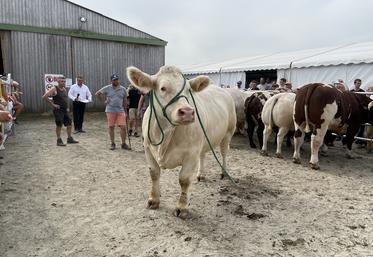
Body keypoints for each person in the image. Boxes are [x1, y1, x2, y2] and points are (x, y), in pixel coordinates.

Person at [95, 74, 130, 150]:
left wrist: (126, 112)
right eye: (114, 80)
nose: (116, 81)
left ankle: (123, 143)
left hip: (120, 110)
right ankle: (112, 143)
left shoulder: (123, 89)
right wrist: (104, 101)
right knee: (111, 127)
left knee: (123, 127)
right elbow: (97, 94)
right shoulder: (107, 88)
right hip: (110, 110)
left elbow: (125, 100)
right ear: (111, 81)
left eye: (117, 79)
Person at [42, 76, 79, 146]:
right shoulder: (54, 89)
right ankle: (59, 140)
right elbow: (44, 97)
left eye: (64, 81)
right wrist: (53, 105)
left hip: (65, 110)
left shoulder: (64, 89)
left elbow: (65, 99)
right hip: (58, 110)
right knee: (59, 125)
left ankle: (69, 138)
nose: (63, 83)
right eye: (62, 81)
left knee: (69, 124)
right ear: (58, 81)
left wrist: (67, 107)